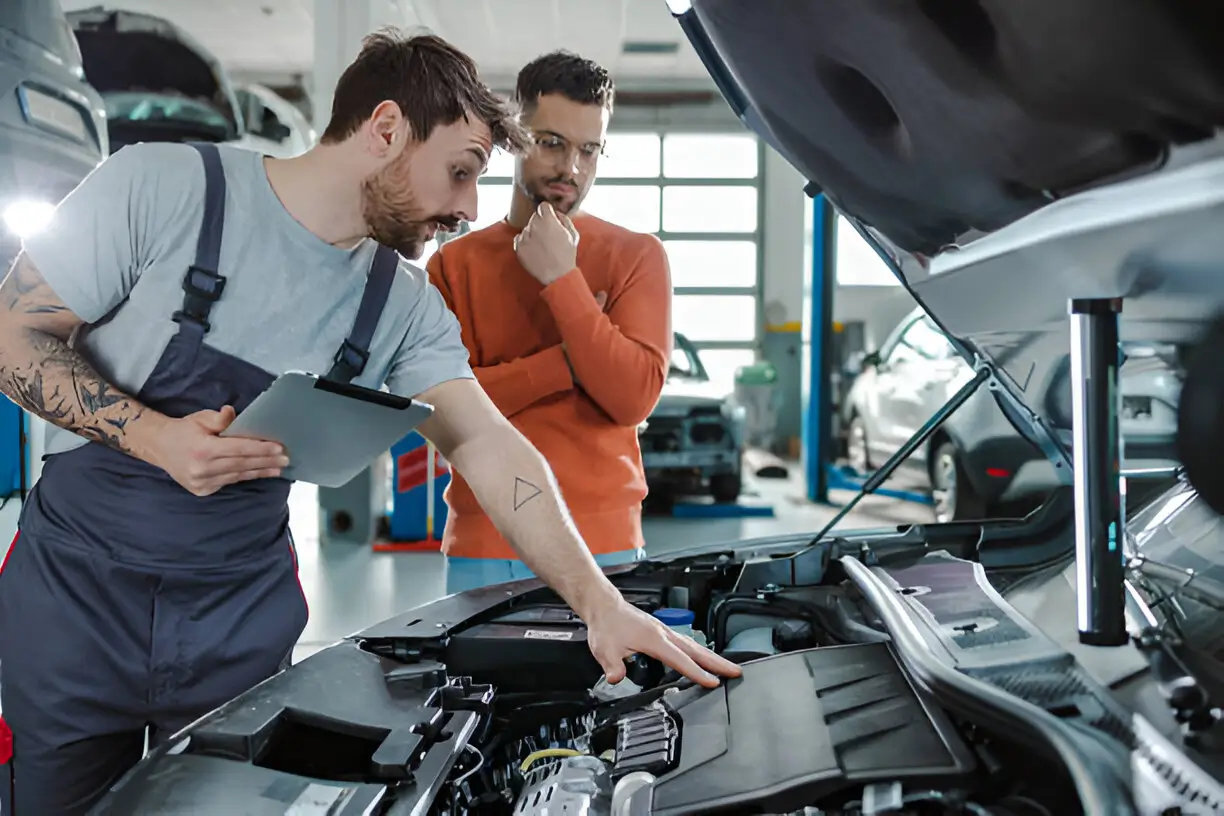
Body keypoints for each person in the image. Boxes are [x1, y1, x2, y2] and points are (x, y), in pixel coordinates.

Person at [0, 31, 738, 815]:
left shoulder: (401, 303)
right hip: (76, 607)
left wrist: (601, 604)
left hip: (234, 622)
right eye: (460, 172)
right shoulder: (162, 186)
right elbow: (12, 334)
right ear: (385, 128)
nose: (468, 209)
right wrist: (156, 439)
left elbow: (486, 443)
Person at [427, 51, 672, 594]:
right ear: (514, 136)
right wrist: (569, 363)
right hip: (485, 541)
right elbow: (446, 415)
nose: (572, 169)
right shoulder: (453, 265)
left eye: (590, 150)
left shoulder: (636, 257)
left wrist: (562, 279)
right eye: (552, 143)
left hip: (605, 543)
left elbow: (631, 397)